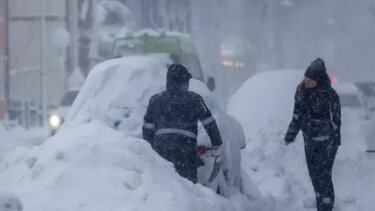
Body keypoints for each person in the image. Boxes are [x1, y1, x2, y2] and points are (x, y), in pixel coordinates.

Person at [142, 64, 223, 183]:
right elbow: (209, 123)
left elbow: (147, 128)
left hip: (162, 147)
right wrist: (217, 144)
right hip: (186, 148)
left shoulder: (156, 100)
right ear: (184, 82)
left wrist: (150, 148)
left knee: (163, 184)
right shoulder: (194, 99)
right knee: (188, 187)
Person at [284, 58, 341, 211]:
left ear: (318, 80)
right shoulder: (301, 91)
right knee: (314, 176)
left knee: (324, 176)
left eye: (310, 79)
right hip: (310, 140)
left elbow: (336, 122)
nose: (306, 81)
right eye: (306, 77)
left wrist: (330, 137)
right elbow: (297, 114)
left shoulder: (330, 95)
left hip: (328, 142)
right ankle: (320, 205)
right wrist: (290, 135)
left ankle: (327, 206)